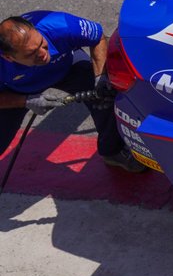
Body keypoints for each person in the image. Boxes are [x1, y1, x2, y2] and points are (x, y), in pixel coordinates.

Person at [0, 12, 144, 172]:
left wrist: (100, 77)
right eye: (31, 54)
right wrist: (25, 101)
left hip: (66, 66)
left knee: (106, 97)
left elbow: (98, 38)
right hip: (16, 89)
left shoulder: (61, 25)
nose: (42, 53)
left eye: (42, 43)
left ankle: (112, 151)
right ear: (8, 58)